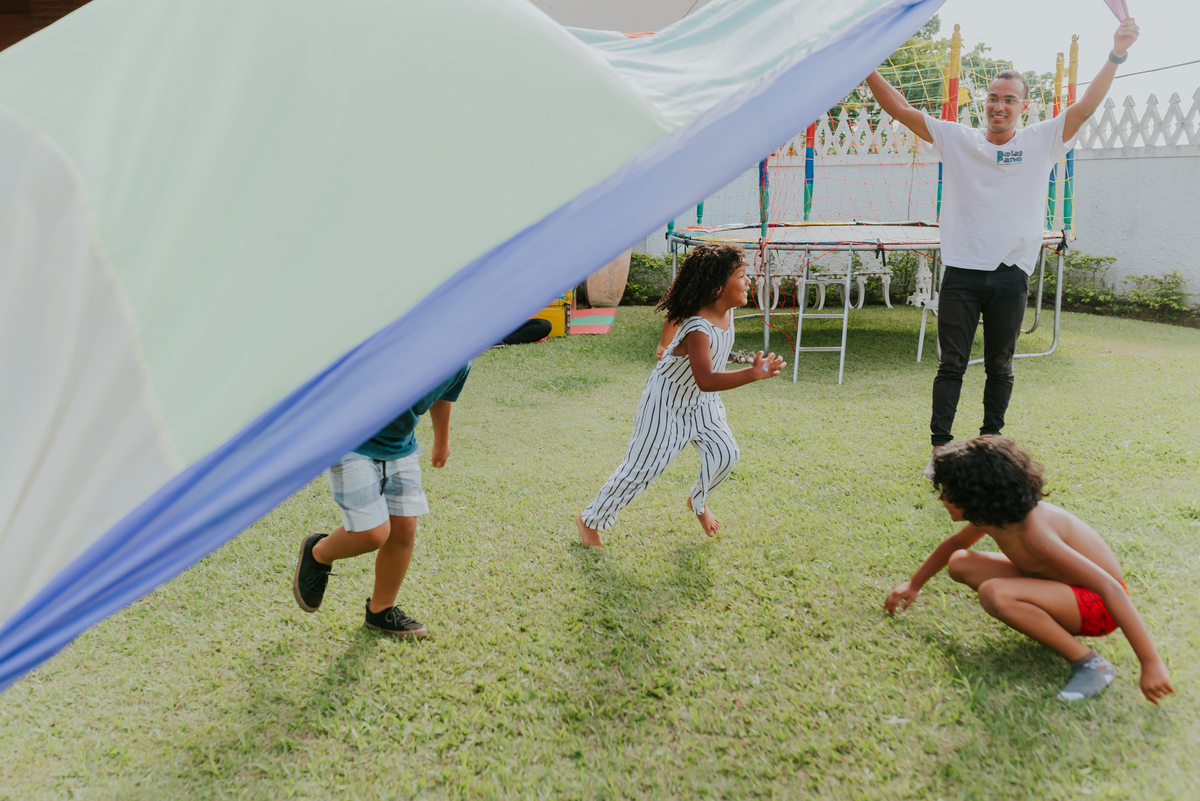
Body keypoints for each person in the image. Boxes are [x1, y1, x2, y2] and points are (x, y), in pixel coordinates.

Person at [864, 19, 1140, 473]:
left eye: (1009, 99)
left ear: (1022, 106)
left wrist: (1117, 53)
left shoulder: (1041, 141)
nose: (999, 106)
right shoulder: (957, 140)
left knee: (1000, 365)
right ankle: (941, 450)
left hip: (1011, 272)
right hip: (962, 271)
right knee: (951, 363)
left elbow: (1087, 106)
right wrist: (867, 68)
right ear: (984, 103)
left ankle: (990, 443)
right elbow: (900, 110)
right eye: (993, 98)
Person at [885, 436, 1174, 704]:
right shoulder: (992, 514)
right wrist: (914, 584)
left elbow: (1110, 587)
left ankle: (1091, 663)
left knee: (996, 593)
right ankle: (1048, 624)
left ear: (977, 495)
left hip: (1099, 606)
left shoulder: (1036, 532)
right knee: (961, 562)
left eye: (949, 492)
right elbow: (953, 545)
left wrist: (1151, 662)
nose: (941, 498)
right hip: (1060, 589)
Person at [575, 243, 785, 547]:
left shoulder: (724, 313)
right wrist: (753, 373)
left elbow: (677, 312)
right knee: (642, 469)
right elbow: (706, 379)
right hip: (668, 403)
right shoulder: (698, 328)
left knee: (726, 453)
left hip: (702, 405)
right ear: (716, 287)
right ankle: (590, 520)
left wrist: (666, 345)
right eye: (742, 275)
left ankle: (697, 502)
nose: (749, 281)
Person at [292, 364, 470, 637]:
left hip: (399, 445)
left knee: (403, 530)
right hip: (351, 442)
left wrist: (441, 440)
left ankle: (380, 611)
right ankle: (319, 551)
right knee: (372, 534)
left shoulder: (463, 359)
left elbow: (444, 395)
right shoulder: (403, 337)